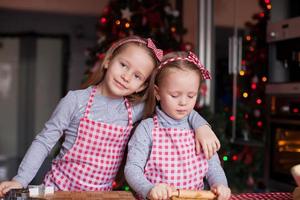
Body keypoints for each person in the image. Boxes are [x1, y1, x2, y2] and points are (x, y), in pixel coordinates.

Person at [0, 36, 219, 196]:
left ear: (141, 86)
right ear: (108, 61)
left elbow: (175, 113)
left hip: (102, 195)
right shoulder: (75, 101)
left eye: (136, 76)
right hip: (58, 191)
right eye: (123, 65)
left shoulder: (136, 111)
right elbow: (44, 141)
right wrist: (19, 180)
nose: (125, 76)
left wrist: (202, 126)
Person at [125, 51, 231, 200]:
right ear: (157, 92)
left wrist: (221, 185)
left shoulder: (200, 130)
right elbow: (132, 168)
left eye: (191, 95)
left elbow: (213, 168)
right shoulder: (147, 129)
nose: (183, 102)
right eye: (175, 95)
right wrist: (149, 189)